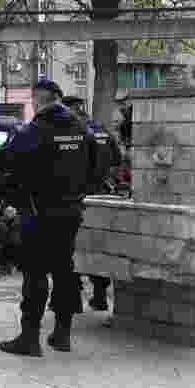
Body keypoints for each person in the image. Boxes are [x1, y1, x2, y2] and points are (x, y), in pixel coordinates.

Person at [0, 79, 98, 357]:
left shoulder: (34, 130)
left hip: (39, 211)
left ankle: (29, 338)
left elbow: (4, 160)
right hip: (71, 210)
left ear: (37, 100)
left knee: (35, 273)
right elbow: (98, 166)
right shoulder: (81, 129)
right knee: (65, 270)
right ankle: (62, 334)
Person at [63, 96, 123, 310]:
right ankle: (99, 295)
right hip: (101, 196)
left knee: (71, 248)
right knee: (98, 247)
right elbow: (117, 158)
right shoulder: (101, 130)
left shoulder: (71, 131)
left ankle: (72, 298)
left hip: (75, 197)